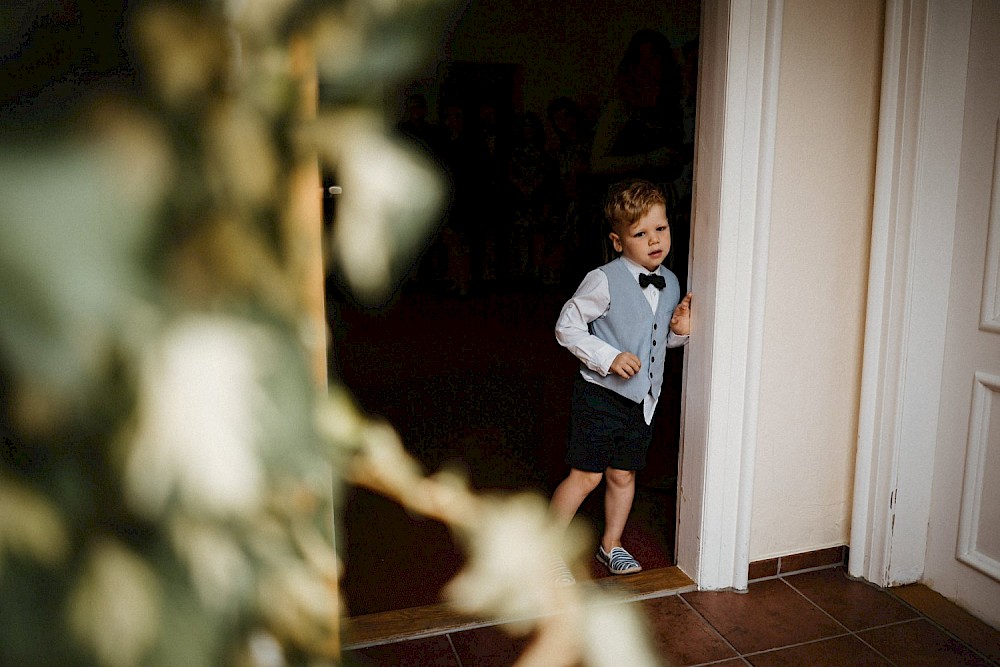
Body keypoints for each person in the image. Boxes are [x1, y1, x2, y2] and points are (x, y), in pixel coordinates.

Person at [548, 178, 692, 583]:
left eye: (660, 229)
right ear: (617, 241)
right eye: (640, 233)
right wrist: (608, 358)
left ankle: (610, 544)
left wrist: (678, 331)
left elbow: (654, 342)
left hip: (642, 401)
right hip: (600, 397)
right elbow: (567, 327)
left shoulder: (673, 282)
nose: (653, 241)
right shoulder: (604, 278)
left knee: (623, 474)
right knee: (587, 475)